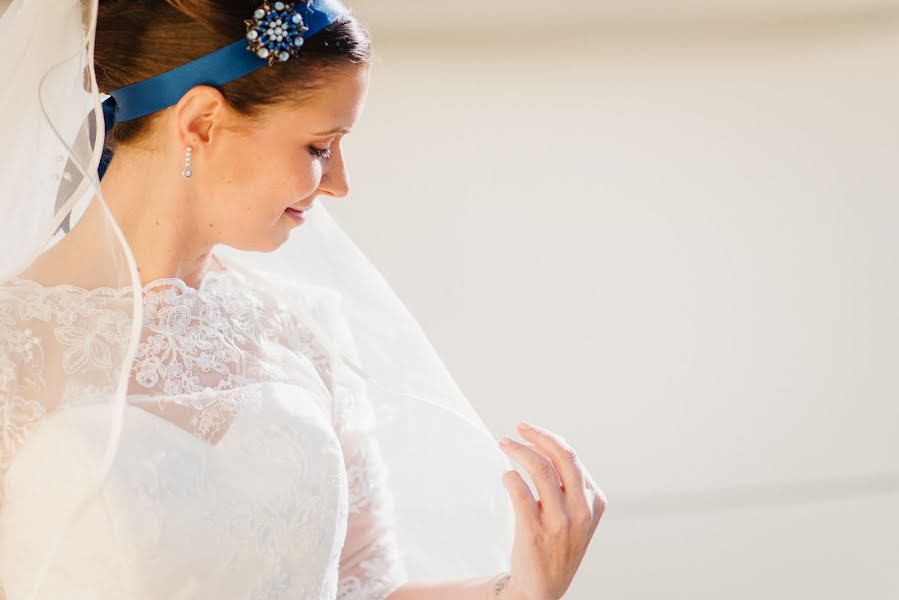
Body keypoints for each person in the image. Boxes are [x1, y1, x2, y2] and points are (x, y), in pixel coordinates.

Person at [0, 1, 606, 598]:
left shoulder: (302, 329)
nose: (340, 183)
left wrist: (518, 590)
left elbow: (364, 588)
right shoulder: (11, 346)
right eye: (320, 147)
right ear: (202, 121)